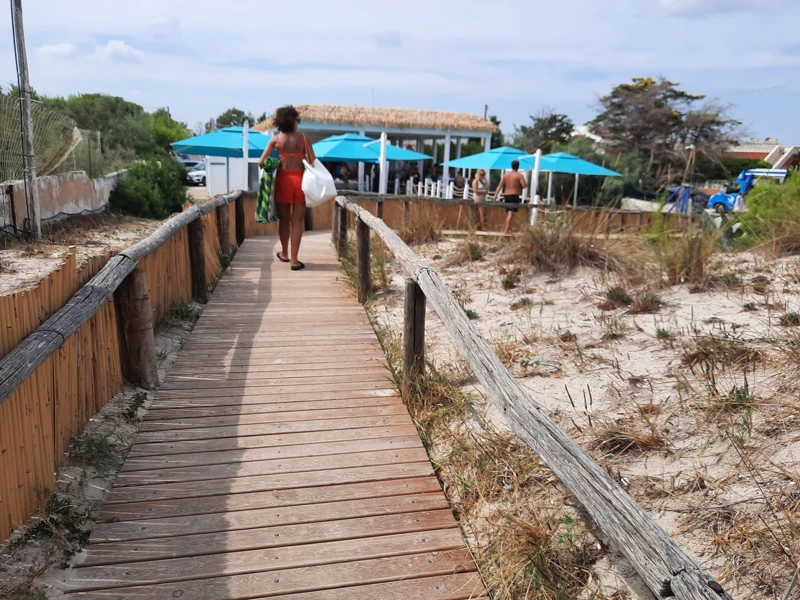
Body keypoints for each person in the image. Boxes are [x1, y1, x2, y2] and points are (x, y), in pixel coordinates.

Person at [259, 105, 315, 271]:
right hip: (301, 182)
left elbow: (261, 162)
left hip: (283, 182)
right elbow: (312, 161)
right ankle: (295, 261)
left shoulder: (276, 140)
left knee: (284, 220)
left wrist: (276, 163)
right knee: (297, 221)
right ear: (293, 122)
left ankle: (284, 253)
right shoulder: (304, 139)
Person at [495, 160, 527, 234]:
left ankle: (509, 228)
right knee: (511, 213)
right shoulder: (519, 175)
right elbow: (524, 185)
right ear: (518, 166)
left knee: (509, 213)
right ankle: (506, 230)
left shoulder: (506, 175)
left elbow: (500, 185)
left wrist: (495, 195)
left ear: (511, 166)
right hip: (514, 195)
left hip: (506, 195)